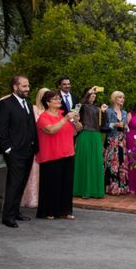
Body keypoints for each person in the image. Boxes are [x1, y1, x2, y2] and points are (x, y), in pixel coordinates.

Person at [0, 75, 40, 228]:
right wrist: (8, 149)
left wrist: (35, 147)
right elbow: (1, 130)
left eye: (28, 86)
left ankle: (15, 212)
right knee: (14, 183)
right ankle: (7, 217)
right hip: (14, 152)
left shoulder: (27, 103)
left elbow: (31, 127)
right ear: (15, 87)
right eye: (24, 86)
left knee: (22, 183)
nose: (28, 89)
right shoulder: (5, 104)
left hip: (28, 151)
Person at [36, 90, 82, 219]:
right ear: (48, 102)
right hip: (52, 155)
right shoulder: (44, 117)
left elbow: (77, 130)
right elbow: (51, 130)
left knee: (66, 183)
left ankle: (65, 210)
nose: (59, 101)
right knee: (52, 184)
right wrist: (66, 119)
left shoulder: (63, 115)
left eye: (59, 99)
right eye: (55, 99)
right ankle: (50, 211)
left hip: (67, 153)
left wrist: (76, 121)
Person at [73, 87, 107, 198]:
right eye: (92, 93)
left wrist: (103, 113)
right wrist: (88, 93)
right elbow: (76, 109)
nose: (94, 95)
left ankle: (95, 191)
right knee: (85, 162)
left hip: (96, 136)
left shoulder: (97, 108)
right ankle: (82, 190)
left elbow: (102, 125)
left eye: (95, 94)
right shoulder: (81, 105)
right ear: (87, 94)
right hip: (85, 134)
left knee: (96, 163)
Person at [20, 87, 49, 208]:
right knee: (34, 171)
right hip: (37, 143)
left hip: (48, 144)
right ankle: (31, 198)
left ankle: (44, 198)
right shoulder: (34, 109)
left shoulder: (51, 111)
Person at [104, 91, 129, 195]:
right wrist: (115, 124)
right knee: (112, 163)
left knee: (122, 162)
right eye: (119, 97)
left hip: (122, 139)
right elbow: (104, 125)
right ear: (114, 99)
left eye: (123, 98)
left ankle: (121, 188)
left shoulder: (124, 113)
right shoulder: (108, 111)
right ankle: (111, 188)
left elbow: (126, 126)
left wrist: (126, 127)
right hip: (112, 139)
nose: (122, 99)